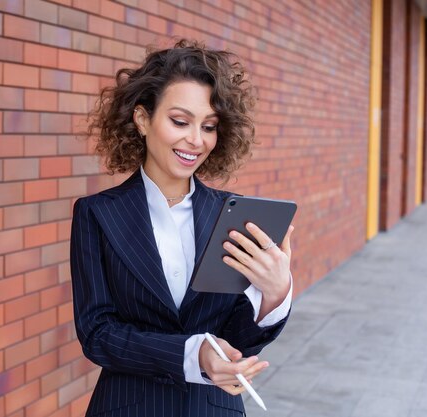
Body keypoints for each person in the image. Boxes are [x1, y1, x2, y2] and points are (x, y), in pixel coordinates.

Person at [71, 39, 294, 417]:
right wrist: (193, 354)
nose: (196, 140)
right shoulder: (97, 214)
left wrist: (274, 294)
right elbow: (97, 335)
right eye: (180, 121)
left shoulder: (231, 214)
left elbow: (239, 340)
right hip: (128, 407)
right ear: (143, 119)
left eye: (208, 126)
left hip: (214, 408)